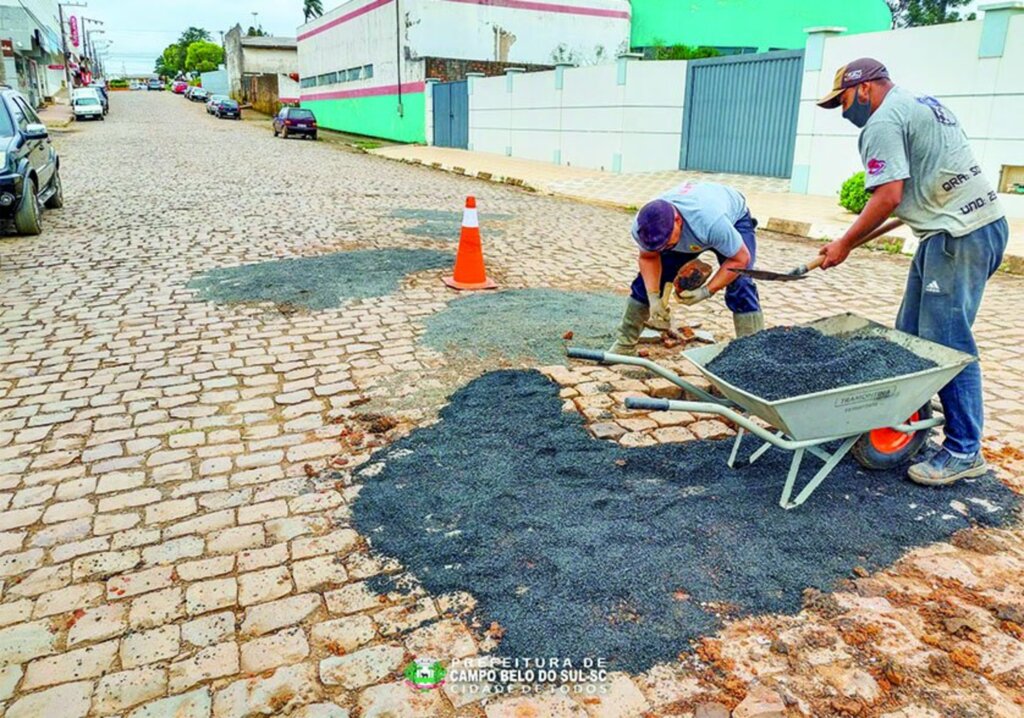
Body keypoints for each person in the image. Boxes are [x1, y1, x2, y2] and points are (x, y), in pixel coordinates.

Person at [816, 57, 1008, 486]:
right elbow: (918, 184)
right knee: (908, 335)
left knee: (945, 342)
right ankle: (904, 424)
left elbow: (887, 195)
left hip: (958, 235)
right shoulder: (920, 102)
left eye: (843, 101)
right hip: (960, 229)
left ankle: (963, 450)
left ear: (864, 89)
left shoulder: (881, 122)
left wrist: (844, 244)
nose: (845, 112)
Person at [609, 182, 764, 355]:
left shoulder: (710, 222)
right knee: (645, 284)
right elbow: (649, 258)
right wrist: (653, 298)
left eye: (666, 243)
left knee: (741, 283)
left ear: (677, 220)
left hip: (732, 219)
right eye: (658, 246)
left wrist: (706, 291)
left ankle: (753, 355)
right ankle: (624, 345)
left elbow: (740, 259)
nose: (662, 248)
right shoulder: (644, 226)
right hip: (693, 229)